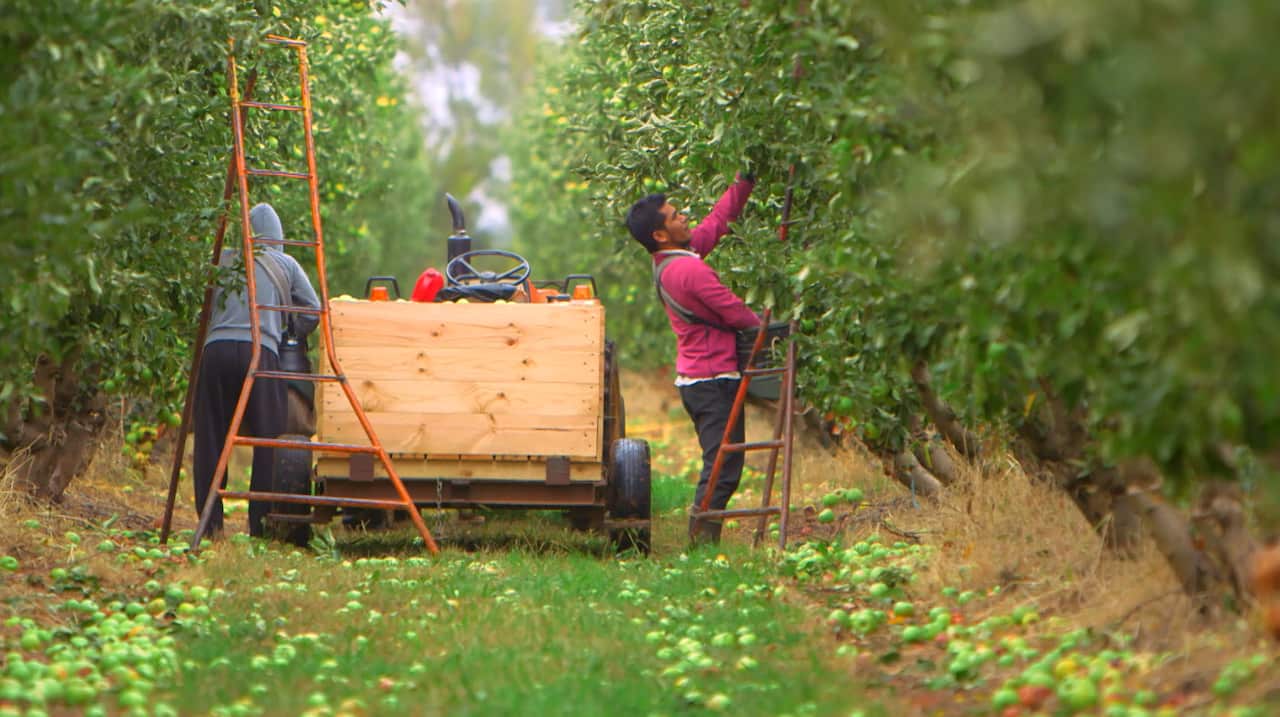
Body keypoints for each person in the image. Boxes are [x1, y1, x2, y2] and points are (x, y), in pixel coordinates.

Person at [626, 172, 760, 544]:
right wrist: (766, 327)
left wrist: (743, 183)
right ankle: (701, 540)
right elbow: (733, 312)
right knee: (722, 465)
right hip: (712, 379)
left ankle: (703, 533)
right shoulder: (689, 270)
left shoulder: (675, 260)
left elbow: (715, 225)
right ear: (659, 235)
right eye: (673, 216)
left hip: (700, 377)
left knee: (722, 461)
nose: (683, 216)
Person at [194, 203, 321, 537]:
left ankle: (210, 526)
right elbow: (313, 312)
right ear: (278, 238)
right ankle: (261, 525)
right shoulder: (286, 264)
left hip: (216, 351)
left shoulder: (222, 260)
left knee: (211, 439)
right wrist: (284, 327)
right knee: (269, 439)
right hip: (260, 352)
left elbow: (202, 304)